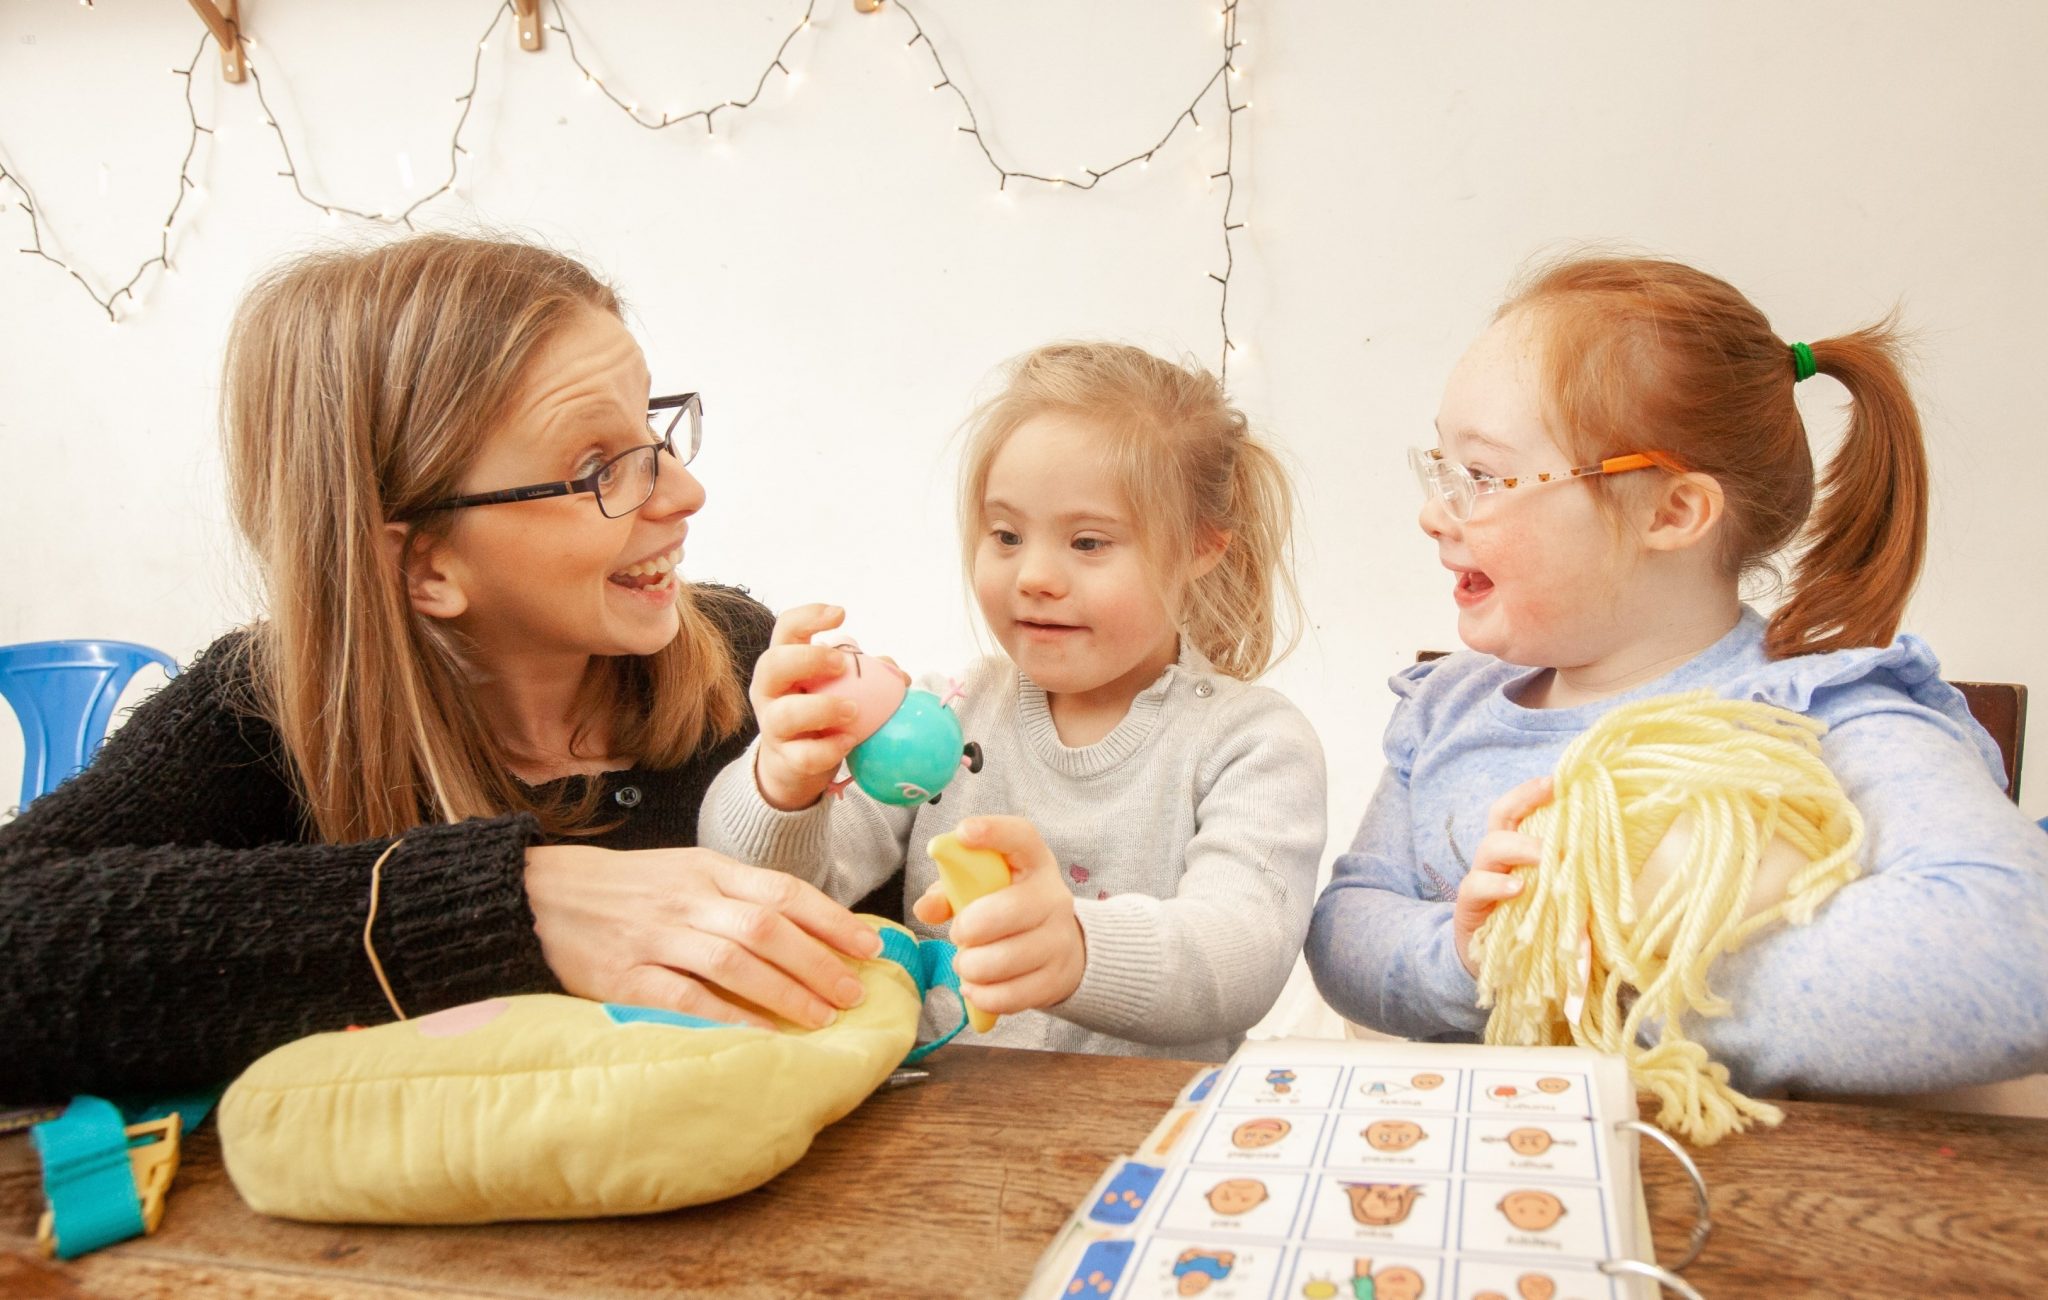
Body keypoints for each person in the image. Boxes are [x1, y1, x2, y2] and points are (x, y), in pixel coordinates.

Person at [0, 234, 880, 1101]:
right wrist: (509, 904)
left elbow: (861, 949)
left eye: (651, 428)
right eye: (596, 467)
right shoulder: (258, 711)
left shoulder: (734, 649)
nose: (685, 493)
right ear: (423, 565)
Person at [1307, 254, 2048, 1096]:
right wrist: (1464, 957)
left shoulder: (1819, 713)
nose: (1434, 512)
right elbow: (1345, 934)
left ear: (1672, 511)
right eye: (1441, 470)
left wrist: (1592, 980)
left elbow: (2016, 954)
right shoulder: (1445, 711)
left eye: (1481, 477)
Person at [701, 342, 1327, 1061]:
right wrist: (783, 784)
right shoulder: (946, 714)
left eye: (1088, 542)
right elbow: (760, 894)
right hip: (940, 1123)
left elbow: (1241, 953)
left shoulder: (1251, 741)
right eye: (1005, 535)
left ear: (1200, 549)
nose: (1033, 575)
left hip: (1150, 1136)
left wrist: (1077, 949)